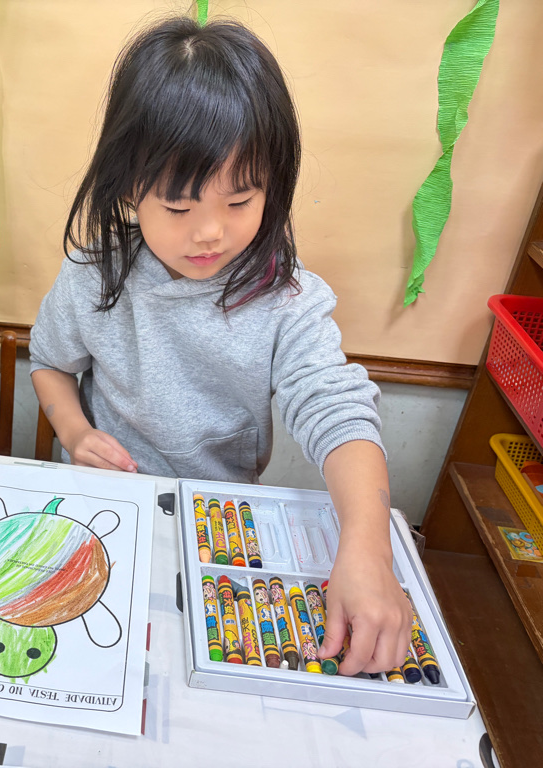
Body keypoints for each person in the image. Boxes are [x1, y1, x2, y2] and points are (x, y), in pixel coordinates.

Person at [29, 18, 410, 674]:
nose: (209, 232)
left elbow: (337, 409)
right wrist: (73, 430)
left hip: (217, 532)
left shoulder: (286, 300)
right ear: (130, 188)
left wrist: (370, 545)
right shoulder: (92, 275)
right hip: (106, 512)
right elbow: (49, 363)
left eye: (240, 201)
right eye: (178, 208)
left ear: (273, 185)